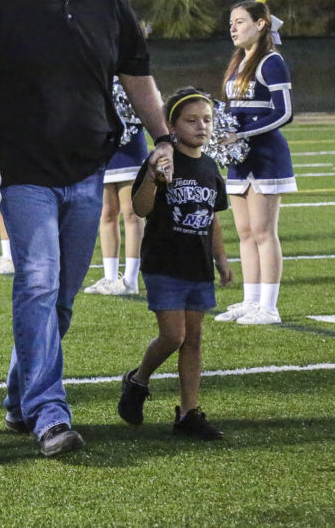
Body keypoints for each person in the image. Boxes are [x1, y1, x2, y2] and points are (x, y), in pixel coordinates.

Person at [0, 0, 174, 457]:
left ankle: (19, 397)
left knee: (59, 300)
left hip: (86, 170)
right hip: (25, 172)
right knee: (36, 284)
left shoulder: (106, 2)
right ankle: (49, 412)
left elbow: (136, 73)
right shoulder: (2, 6)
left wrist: (164, 138)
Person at [117, 88, 232, 439]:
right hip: (164, 262)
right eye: (191, 120)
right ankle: (137, 380)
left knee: (193, 339)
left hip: (197, 265)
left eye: (207, 120)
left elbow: (211, 218)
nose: (202, 127)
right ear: (171, 124)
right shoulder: (160, 161)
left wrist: (222, 259)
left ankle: (188, 413)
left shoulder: (209, 167)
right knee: (173, 335)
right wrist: (153, 178)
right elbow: (140, 209)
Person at [213, 0, 296, 325]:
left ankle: (269, 307)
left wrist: (242, 133)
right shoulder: (238, 62)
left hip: (265, 157)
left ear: (261, 24)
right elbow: (231, 109)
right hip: (239, 159)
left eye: (240, 22)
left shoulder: (271, 61)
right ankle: (250, 301)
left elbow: (285, 112)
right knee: (245, 232)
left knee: (264, 232)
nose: (233, 28)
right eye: (231, 23)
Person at [84, 78, 148, 296]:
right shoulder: (94, 68)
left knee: (132, 214)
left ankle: (130, 280)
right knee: (107, 214)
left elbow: (149, 103)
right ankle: (110, 277)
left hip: (130, 147)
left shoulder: (133, 73)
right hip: (102, 147)